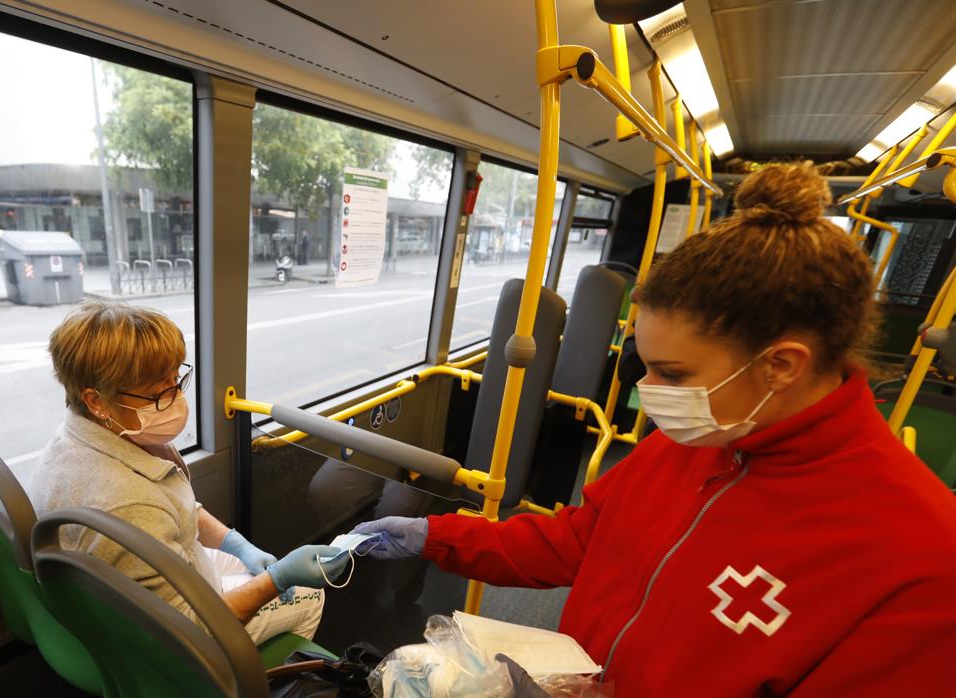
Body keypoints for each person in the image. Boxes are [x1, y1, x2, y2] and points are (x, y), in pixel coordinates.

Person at [352, 163, 956, 695]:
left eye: (673, 372)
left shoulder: (921, 560)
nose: (650, 394)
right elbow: (576, 544)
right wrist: (435, 536)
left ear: (780, 364)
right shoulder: (691, 443)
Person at [30, 301, 347, 644]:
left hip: (161, 573)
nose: (176, 399)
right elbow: (194, 630)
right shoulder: (126, 503)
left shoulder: (90, 436)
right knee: (310, 596)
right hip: (176, 636)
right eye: (157, 393)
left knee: (252, 565)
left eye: (175, 380)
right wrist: (278, 581)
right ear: (96, 400)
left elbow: (173, 508)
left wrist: (236, 545)